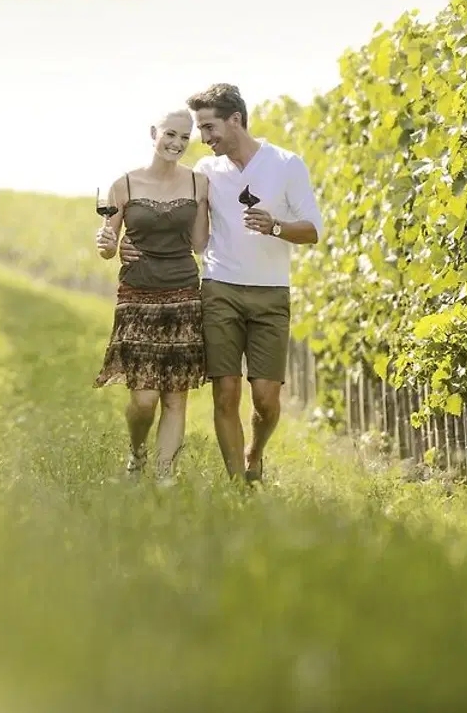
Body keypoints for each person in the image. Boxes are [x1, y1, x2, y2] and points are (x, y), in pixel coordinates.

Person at [115, 83, 321, 486]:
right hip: (218, 287)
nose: (203, 139)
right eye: (199, 130)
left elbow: (313, 230)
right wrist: (125, 241)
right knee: (225, 391)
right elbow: (166, 211)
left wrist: (276, 226)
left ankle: (255, 454)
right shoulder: (206, 174)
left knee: (266, 397)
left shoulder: (287, 164)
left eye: (208, 129)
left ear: (236, 120)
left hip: (271, 292)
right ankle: (237, 485)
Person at [92, 110, 210, 483]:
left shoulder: (197, 184)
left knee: (175, 395)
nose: (176, 143)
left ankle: (164, 477)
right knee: (144, 398)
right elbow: (107, 248)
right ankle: (137, 451)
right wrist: (106, 242)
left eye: (184, 138)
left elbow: (199, 243)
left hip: (183, 292)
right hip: (137, 292)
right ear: (153, 133)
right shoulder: (123, 185)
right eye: (170, 134)